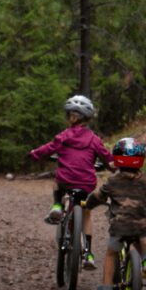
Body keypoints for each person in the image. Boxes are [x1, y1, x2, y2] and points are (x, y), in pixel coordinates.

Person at [28, 95, 114, 270]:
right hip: (86, 184)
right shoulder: (94, 139)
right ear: (88, 118)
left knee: (57, 181)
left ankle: (58, 205)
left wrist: (34, 154)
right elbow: (107, 158)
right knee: (87, 213)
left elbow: (49, 148)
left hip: (66, 180)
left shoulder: (64, 136)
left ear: (69, 116)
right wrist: (114, 167)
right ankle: (88, 253)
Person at [84, 137, 146, 290]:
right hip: (142, 225)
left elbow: (98, 196)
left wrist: (88, 205)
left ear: (117, 159)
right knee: (140, 237)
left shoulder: (114, 181)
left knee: (111, 254)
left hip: (119, 227)